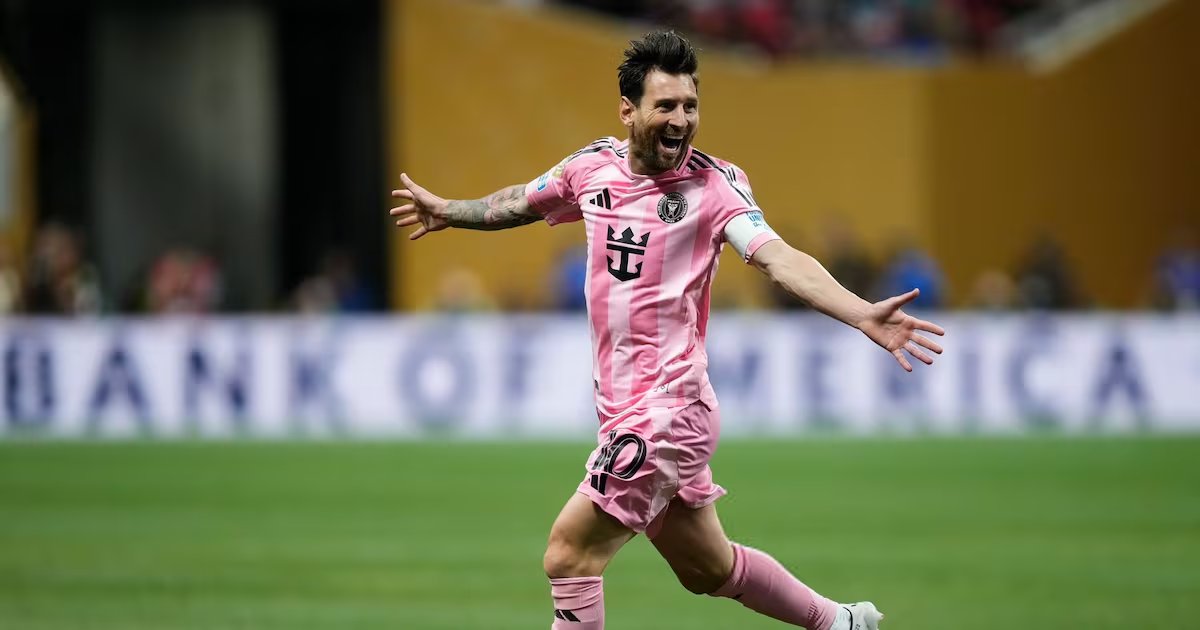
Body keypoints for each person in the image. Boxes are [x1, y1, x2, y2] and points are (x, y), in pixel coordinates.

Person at [390, 30, 944, 630]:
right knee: (708, 568)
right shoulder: (590, 169)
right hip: (624, 409)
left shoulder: (715, 186)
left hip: (669, 408)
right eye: (666, 106)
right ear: (628, 111)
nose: (681, 120)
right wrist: (450, 211)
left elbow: (778, 258)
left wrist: (859, 312)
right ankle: (841, 623)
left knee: (569, 554)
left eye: (690, 105)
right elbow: (520, 202)